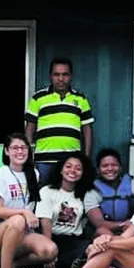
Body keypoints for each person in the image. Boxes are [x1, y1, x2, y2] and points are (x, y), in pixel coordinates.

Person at [0, 133, 57, 268]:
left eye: (23, 147)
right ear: (7, 151)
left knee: (50, 250)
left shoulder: (33, 174)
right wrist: (24, 212)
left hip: (23, 231)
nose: (20, 151)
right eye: (15, 148)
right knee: (17, 220)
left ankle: (15, 264)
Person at [25, 57, 94, 185]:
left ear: (71, 76)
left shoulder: (81, 99)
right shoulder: (38, 98)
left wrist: (85, 158)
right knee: (43, 198)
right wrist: (29, 157)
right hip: (44, 161)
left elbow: (87, 130)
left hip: (71, 162)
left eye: (65, 74)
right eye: (56, 74)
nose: (61, 79)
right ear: (50, 76)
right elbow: (30, 128)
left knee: (68, 200)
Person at [36, 152, 103, 268]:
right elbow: (45, 223)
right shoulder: (47, 191)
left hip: (75, 241)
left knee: (91, 252)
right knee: (49, 264)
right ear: (61, 170)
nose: (73, 171)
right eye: (68, 166)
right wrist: (49, 251)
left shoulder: (86, 193)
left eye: (78, 168)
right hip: (52, 239)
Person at [92, 148, 134, 235]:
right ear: (98, 170)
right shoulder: (92, 190)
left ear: (120, 168)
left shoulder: (131, 183)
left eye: (114, 165)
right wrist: (123, 224)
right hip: (105, 234)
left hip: (131, 230)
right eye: (105, 166)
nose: (110, 169)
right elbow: (98, 223)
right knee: (101, 231)